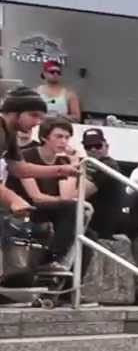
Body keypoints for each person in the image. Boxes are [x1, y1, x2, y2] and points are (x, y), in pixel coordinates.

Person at [3, 116, 88, 272]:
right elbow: (36, 196)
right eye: (59, 136)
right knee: (71, 209)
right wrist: (64, 202)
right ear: (44, 137)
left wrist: (72, 163)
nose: (63, 141)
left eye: (67, 137)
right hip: (21, 207)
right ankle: (51, 259)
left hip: (45, 210)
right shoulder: (27, 156)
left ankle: (65, 285)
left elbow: (66, 197)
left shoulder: (61, 163)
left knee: (89, 235)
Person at [80, 128, 130, 239]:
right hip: (101, 218)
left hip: (105, 222)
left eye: (97, 146)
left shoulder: (108, 165)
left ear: (106, 146)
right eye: (88, 147)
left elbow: (81, 194)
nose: (93, 149)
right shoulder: (90, 164)